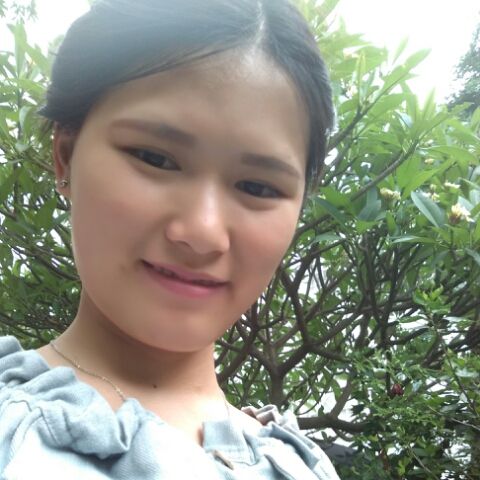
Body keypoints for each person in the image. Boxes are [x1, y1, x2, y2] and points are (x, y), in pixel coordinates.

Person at [0, 0, 338, 478]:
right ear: (66, 154)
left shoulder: (303, 467)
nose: (202, 233)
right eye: (155, 159)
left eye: (258, 187)